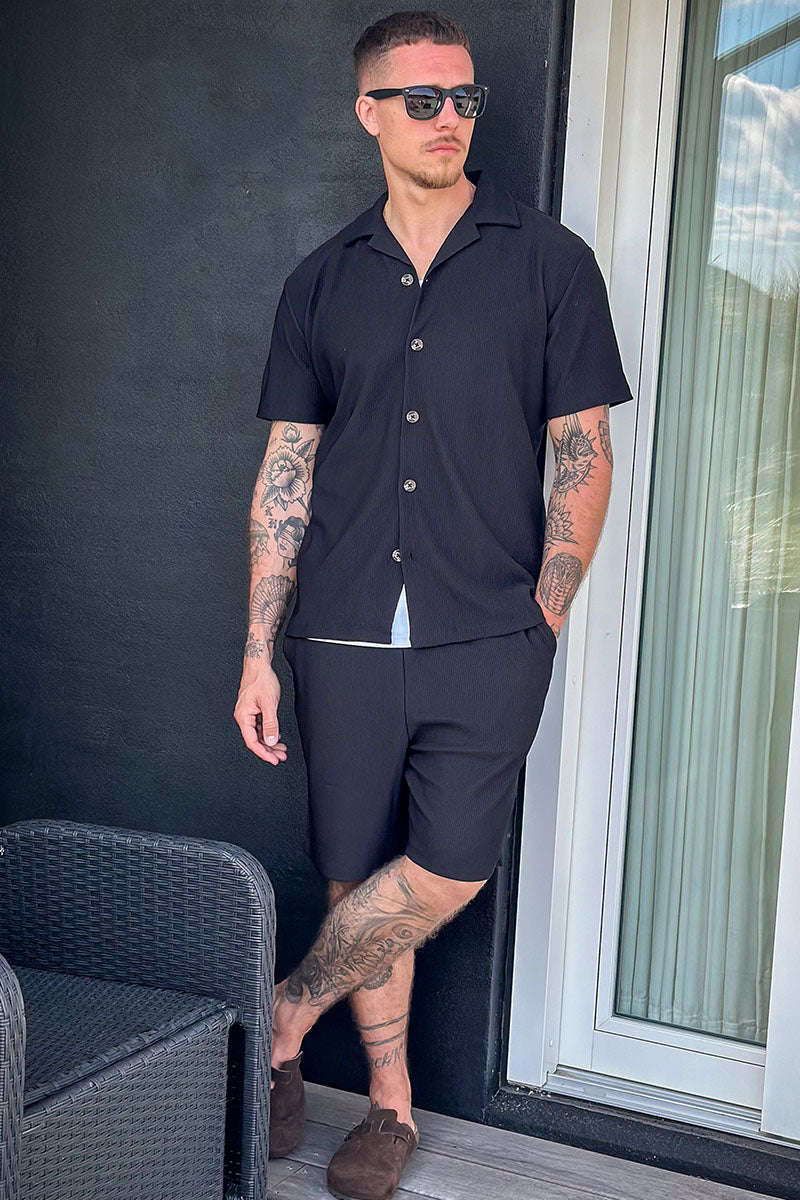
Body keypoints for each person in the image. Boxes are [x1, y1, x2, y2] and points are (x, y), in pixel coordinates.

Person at [234, 10, 634, 1199]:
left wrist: (542, 614)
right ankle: (389, 1108)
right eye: (421, 100)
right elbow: (286, 471)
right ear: (368, 112)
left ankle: (282, 1019)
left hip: (489, 629)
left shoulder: (547, 262)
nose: (448, 117)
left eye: (463, 98)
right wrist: (258, 648)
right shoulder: (320, 281)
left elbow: (582, 452)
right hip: (341, 628)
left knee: (447, 866)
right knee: (357, 872)